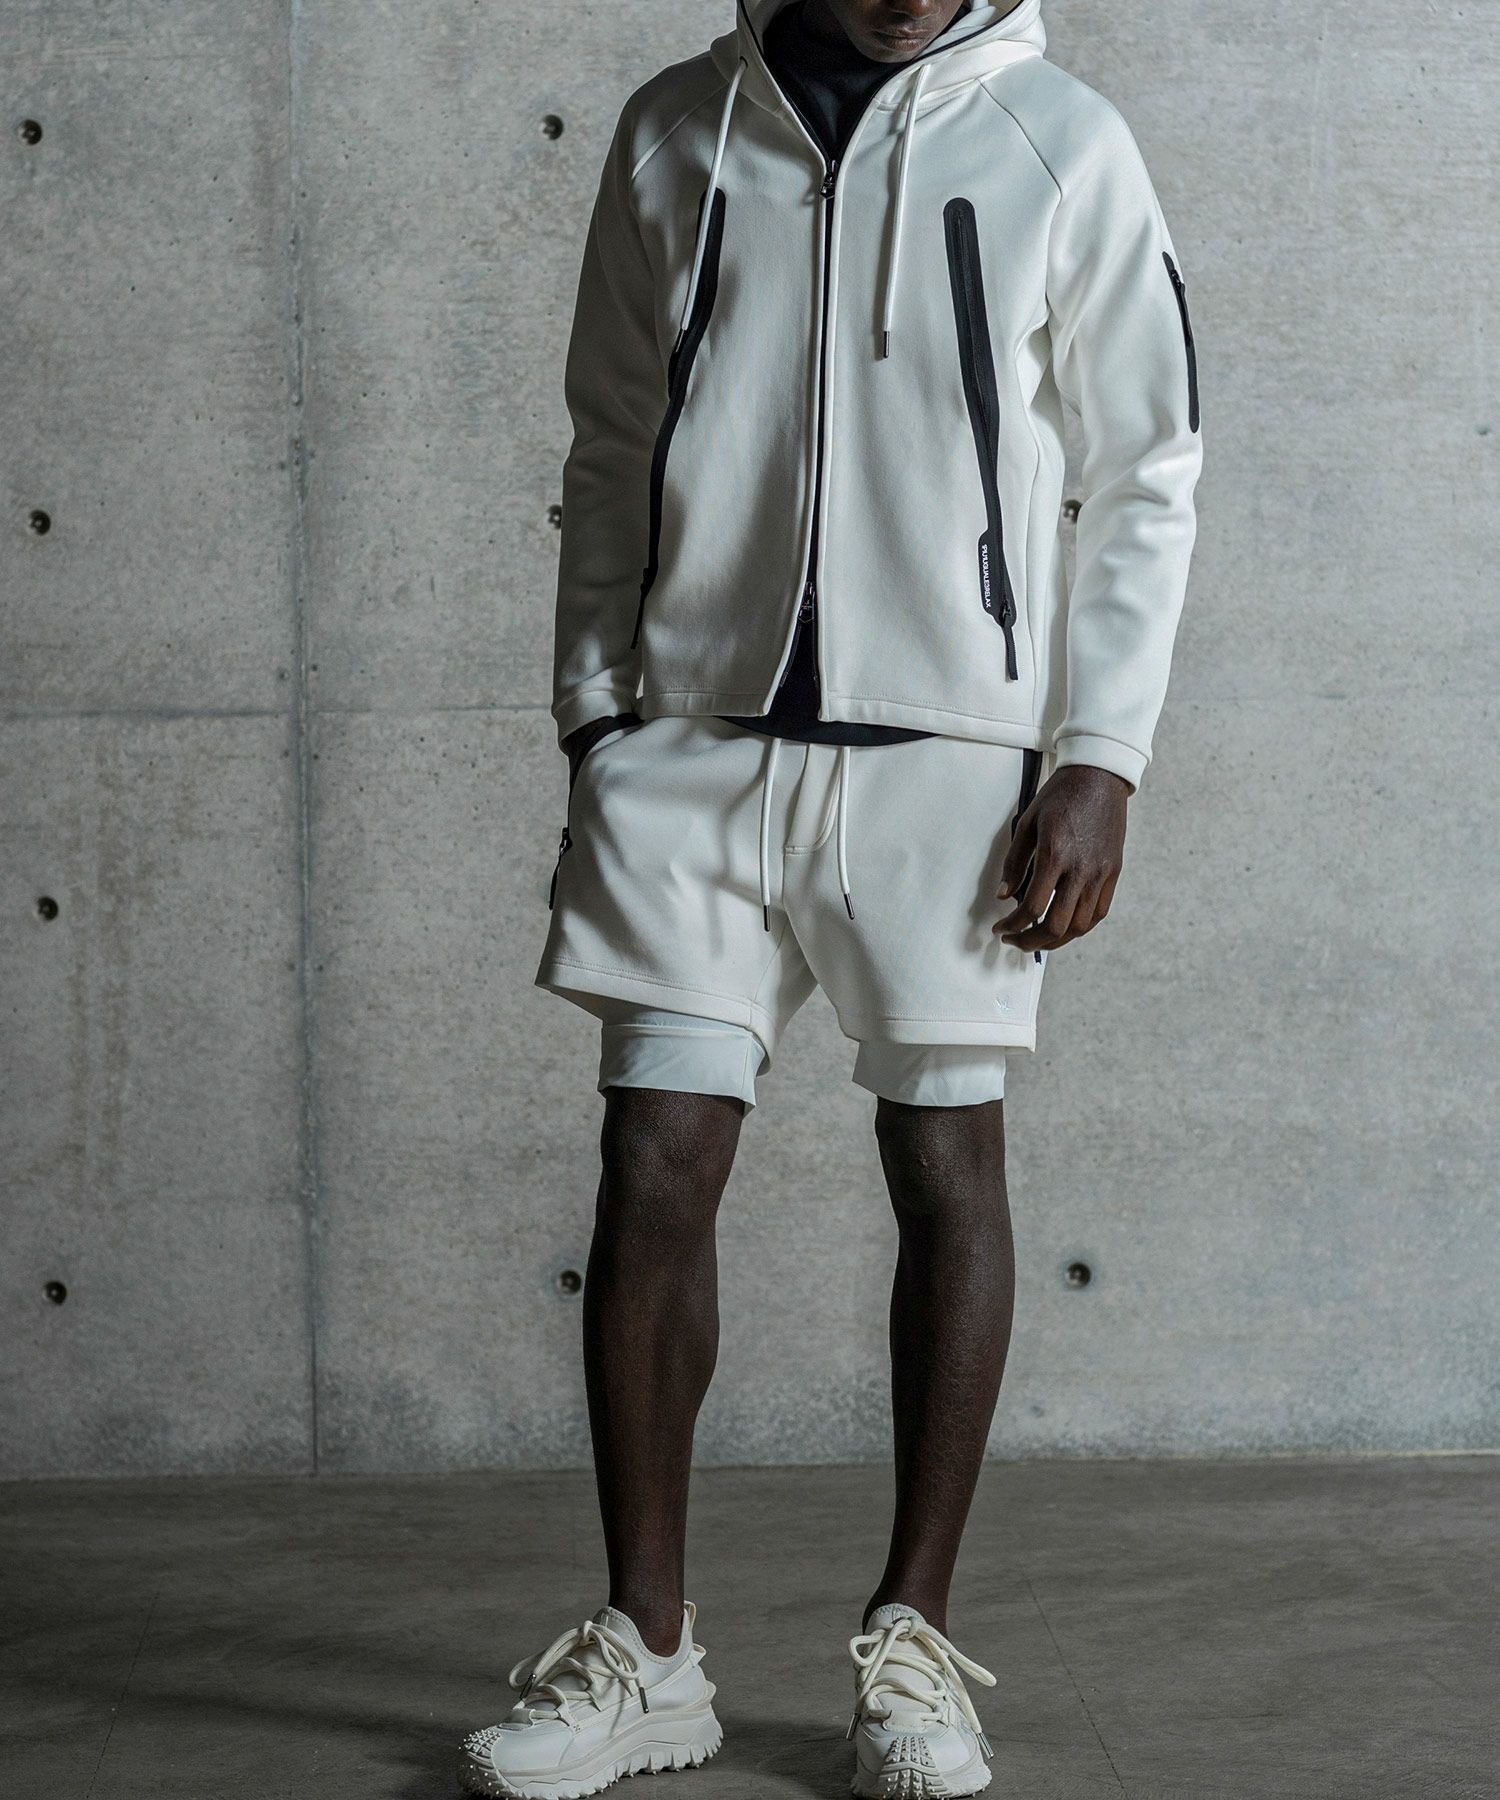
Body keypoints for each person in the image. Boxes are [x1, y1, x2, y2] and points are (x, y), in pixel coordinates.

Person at [460, 0, 1201, 1793]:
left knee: (946, 1164)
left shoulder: (1062, 141)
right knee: (654, 1161)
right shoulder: (674, 131)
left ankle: (913, 1649)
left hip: (952, 756)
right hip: (690, 742)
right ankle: (648, 1655)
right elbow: (611, 433)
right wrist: (597, 713)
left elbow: (1147, 465)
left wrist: (1099, 756)